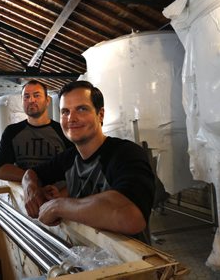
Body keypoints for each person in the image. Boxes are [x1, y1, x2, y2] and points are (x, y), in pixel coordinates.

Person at [22, 81, 155, 241]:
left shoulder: (125, 153)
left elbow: (130, 217)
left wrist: (59, 206)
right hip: (88, 256)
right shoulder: (70, 157)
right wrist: (31, 189)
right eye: (65, 111)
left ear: (100, 115)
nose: (71, 118)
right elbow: (32, 173)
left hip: (130, 262)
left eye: (81, 109)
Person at [0, 80, 73, 182]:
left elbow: (74, 168)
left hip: (57, 194)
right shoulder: (12, 132)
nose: (31, 100)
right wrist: (30, 179)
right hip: (25, 195)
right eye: (26, 97)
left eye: (37, 95)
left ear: (47, 100)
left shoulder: (63, 131)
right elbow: (1, 169)